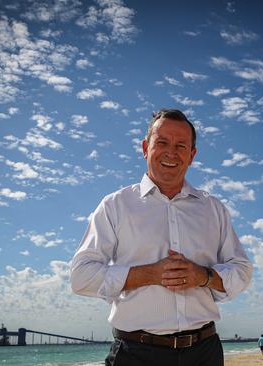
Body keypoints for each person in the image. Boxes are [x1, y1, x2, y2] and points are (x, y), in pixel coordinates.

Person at [70, 109, 253, 366]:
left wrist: (204, 276)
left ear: (192, 155)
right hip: (135, 354)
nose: (171, 152)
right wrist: (149, 274)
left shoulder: (213, 209)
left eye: (181, 145)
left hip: (204, 353)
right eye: (162, 142)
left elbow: (242, 270)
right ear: (145, 148)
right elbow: (81, 277)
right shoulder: (115, 206)